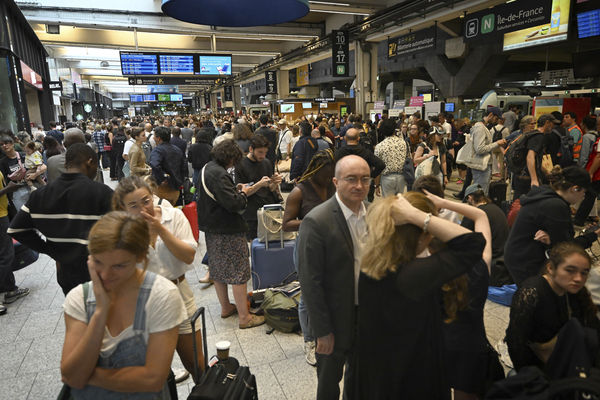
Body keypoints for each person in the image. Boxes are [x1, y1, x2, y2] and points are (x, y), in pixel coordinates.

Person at [357, 192, 486, 399]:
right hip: (412, 378)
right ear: (424, 236)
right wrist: (418, 216)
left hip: (379, 375)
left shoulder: (372, 269)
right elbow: (473, 243)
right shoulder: (413, 276)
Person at [60, 211, 186, 398]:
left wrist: (88, 376)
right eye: (98, 262)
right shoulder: (79, 298)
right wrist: (100, 312)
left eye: (119, 265)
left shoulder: (161, 295)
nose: (105, 275)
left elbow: (153, 379)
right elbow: (71, 375)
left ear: (141, 257)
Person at [112, 176, 204, 382]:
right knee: (155, 369)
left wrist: (160, 230)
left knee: (196, 363)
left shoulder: (173, 216)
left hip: (178, 292)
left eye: (146, 201)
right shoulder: (119, 229)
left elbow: (189, 255)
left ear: (153, 196)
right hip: (141, 301)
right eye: (133, 205)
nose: (143, 208)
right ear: (123, 207)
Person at [297, 155, 370, 400]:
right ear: (336, 182)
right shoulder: (317, 221)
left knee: (359, 379)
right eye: (352, 179)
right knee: (329, 383)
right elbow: (310, 282)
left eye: (365, 179)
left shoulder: (373, 213)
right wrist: (322, 330)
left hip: (366, 316)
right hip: (334, 320)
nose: (359, 185)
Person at [8, 144, 113, 295]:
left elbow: (16, 228)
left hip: (65, 272)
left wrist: (49, 250)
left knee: (76, 311)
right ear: (90, 162)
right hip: (98, 270)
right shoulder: (102, 193)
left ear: (66, 164)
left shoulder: (40, 195)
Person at [196, 139, 265, 329]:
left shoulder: (206, 168)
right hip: (228, 229)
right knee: (238, 271)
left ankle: (226, 307)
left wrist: (234, 191)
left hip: (211, 228)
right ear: (229, 158)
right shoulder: (219, 174)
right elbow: (234, 204)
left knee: (217, 269)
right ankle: (245, 317)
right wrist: (243, 194)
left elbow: (218, 197)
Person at [505, 242, 600, 377]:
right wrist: (531, 378)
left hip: (565, 355)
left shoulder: (575, 290)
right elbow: (516, 342)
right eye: (570, 270)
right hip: (537, 364)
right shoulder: (532, 292)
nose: (578, 278)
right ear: (550, 268)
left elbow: (591, 325)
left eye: (584, 273)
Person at [282, 149, 335, 366]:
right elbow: (286, 224)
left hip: (331, 246)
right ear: (315, 170)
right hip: (307, 247)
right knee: (307, 295)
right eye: (326, 174)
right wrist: (313, 221)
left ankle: (326, 332)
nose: (329, 178)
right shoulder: (299, 192)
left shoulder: (332, 185)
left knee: (330, 289)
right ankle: (309, 341)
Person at [504, 166, 599, 286]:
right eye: (584, 192)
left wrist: (552, 238)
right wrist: (593, 236)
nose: (583, 197)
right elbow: (566, 248)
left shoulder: (545, 194)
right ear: (574, 189)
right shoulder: (555, 206)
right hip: (527, 261)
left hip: (518, 255)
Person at [234, 135, 282, 241]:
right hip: (251, 213)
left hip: (268, 209)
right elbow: (241, 192)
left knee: (270, 241)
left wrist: (275, 182)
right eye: (260, 152)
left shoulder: (266, 162)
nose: (263, 156)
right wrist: (259, 184)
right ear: (251, 149)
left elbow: (270, 188)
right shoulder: (240, 165)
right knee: (255, 244)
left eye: (265, 152)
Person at [462, 184, 510, 286]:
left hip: (490, 267)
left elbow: (461, 241)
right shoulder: (497, 209)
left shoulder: (474, 213)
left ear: (470, 198)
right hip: (505, 264)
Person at [0, 169, 29, 316]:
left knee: (5, 254)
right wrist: (8, 188)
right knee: (6, 256)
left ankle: (11, 289)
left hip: (3, 213)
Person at [512, 115, 558, 200]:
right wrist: (534, 179)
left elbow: (536, 160)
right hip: (526, 178)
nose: (554, 126)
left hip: (521, 175)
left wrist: (546, 172)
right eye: (552, 124)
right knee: (520, 204)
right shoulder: (538, 137)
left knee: (520, 203)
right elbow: (530, 157)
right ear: (547, 123)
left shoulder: (534, 135)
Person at [469, 107, 506, 194]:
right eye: (496, 118)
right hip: (481, 167)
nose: (496, 121)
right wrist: (497, 143)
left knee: (480, 193)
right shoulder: (480, 128)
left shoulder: (482, 127)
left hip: (482, 165)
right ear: (490, 115)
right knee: (481, 194)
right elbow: (480, 149)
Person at [149, 126, 187, 206]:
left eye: (154, 136)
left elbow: (155, 165)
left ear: (158, 138)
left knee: (162, 211)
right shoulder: (177, 149)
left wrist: (163, 177)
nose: (153, 137)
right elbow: (184, 166)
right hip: (176, 188)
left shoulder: (157, 150)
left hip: (162, 188)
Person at [374, 118, 409, 196]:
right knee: (399, 202)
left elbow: (377, 167)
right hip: (401, 177)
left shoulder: (379, 146)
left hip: (387, 178)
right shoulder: (403, 143)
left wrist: (376, 185)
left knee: (389, 204)